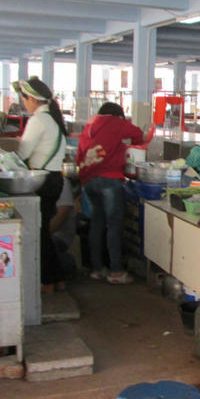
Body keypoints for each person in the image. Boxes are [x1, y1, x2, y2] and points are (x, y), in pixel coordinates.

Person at [76, 102, 146, 285]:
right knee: (114, 225)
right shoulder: (115, 123)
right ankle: (116, 271)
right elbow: (138, 134)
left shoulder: (90, 126)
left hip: (89, 181)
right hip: (109, 180)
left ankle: (97, 269)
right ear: (119, 116)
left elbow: (80, 156)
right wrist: (134, 147)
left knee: (97, 224)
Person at [12, 76, 67, 294]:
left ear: (32, 99)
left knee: (39, 233)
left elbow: (22, 154)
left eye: (24, 99)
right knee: (43, 231)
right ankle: (56, 278)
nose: (24, 103)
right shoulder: (51, 119)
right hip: (53, 179)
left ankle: (47, 281)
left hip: (42, 181)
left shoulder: (38, 121)